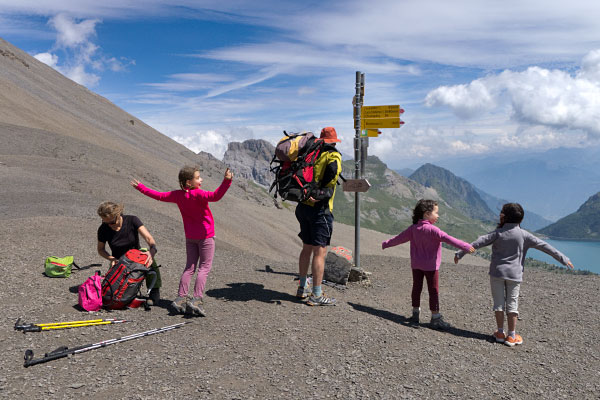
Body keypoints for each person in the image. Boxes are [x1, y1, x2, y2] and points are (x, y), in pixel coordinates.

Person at [455, 203, 574, 346]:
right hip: (515, 275)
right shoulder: (524, 235)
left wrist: (460, 253)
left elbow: (477, 243)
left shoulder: (497, 233)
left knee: (498, 304)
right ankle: (511, 336)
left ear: (503, 216)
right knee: (512, 304)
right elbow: (545, 246)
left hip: (497, 273)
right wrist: (563, 259)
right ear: (521, 219)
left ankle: (499, 333)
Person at [131, 166, 233, 316]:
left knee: (189, 268)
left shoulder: (177, 195)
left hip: (190, 237)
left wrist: (141, 188)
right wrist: (227, 181)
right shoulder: (199, 194)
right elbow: (216, 196)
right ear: (189, 182)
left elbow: (158, 195)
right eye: (198, 178)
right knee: (204, 268)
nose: (201, 180)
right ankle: (196, 300)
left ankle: (180, 298)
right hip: (206, 236)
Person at [381, 199, 475, 329]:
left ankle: (415, 314)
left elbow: (399, 239)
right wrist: (466, 246)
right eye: (436, 213)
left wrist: (386, 244)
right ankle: (435, 318)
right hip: (431, 267)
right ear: (426, 214)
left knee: (416, 288)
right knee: (433, 290)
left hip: (416, 265)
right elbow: (449, 239)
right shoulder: (434, 230)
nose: (438, 216)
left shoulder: (413, 229)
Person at [295, 127, 343, 306]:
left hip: (303, 207)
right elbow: (330, 184)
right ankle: (316, 294)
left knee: (306, 247)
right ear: (334, 141)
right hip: (320, 210)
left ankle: (302, 288)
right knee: (320, 252)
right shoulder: (333, 156)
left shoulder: (311, 153)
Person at [97, 201, 161, 304]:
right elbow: (100, 249)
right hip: (118, 259)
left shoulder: (132, 220)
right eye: (105, 222)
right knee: (112, 285)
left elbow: (149, 238)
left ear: (118, 215)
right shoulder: (103, 229)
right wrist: (111, 258)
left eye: (112, 222)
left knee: (149, 259)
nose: (109, 225)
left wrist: (152, 250)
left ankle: (154, 291)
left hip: (136, 255)